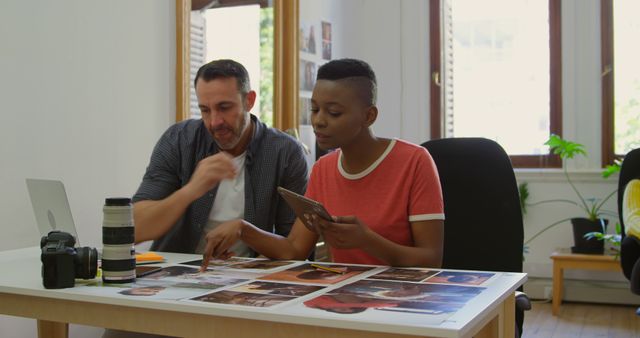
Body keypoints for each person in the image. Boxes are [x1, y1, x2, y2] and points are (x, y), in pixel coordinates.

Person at [200, 58, 444, 269]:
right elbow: (294, 250)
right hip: (341, 298)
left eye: (334, 113)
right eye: (314, 109)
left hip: (400, 298)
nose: (318, 121)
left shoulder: (414, 161)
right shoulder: (324, 168)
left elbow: (432, 260)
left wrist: (367, 240)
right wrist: (243, 229)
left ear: (369, 116)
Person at [133, 59, 308, 256]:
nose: (215, 122)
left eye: (224, 107)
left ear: (249, 100)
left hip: (247, 280)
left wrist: (245, 231)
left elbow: (295, 251)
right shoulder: (179, 140)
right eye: (205, 110)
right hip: (176, 276)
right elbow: (134, 228)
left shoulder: (285, 153)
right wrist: (191, 189)